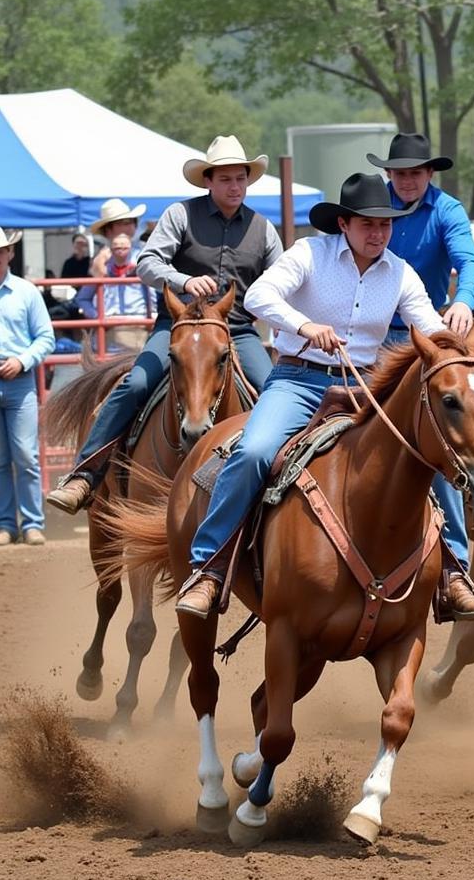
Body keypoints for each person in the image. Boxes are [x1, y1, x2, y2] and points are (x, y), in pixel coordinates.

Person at [174, 173, 447, 617]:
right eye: (367, 225)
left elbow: (427, 324)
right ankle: (209, 567)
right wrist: (303, 326)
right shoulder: (308, 254)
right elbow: (260, 294)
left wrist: (455, 342)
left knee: (429, 454)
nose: (378, 234)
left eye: (385, 225)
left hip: (364, 384)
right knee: (254, 451)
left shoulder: (400, 273)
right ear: (344, 224)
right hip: (297, 380)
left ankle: (453, 572)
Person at [46, 135, 283, 515]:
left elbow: (281, 279)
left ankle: (282, 484)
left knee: (274, 389)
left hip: (235, 331)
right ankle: (86, 474)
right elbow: (147, 263)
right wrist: (183, 281)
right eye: (226, 179)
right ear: (208, 180)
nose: (235, 186)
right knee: (137, 382)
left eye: (240, 178)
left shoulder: (263, 229)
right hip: (178, 328)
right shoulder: (180, 215)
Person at [366, 131, 474, 619]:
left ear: (429, 174)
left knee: (443, 440)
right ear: (389, 175)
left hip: (423, 339)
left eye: (415, 172)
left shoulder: (446, 210)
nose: (407, 180)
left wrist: (463, 300)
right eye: (399, 173)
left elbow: (469, 262)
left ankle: (456, 568)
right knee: (325, 424)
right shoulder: (374, 210)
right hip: (367, 339)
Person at [0, 228, 56, 546]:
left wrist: (22, 361)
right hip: (16, 380)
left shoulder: (26, 292)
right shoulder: (24, 290)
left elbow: (45, 337)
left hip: (19, 380)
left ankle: (31, 522)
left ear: (8, 254)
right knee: (1, 458)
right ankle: (7, 523)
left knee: (24, 455)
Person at [74, 233, 154, 351]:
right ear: (110, 248)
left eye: (124, 246)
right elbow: (82, 298)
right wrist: (97, 316)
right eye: (116, 247)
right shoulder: (101, 271)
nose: (120, 249)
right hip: (108, 328)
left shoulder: (142, 270)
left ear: (131, 247)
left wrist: (151, 317)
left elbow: (153, 297)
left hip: (138, 325)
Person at [88, 198, 147, 278]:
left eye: (133, 221)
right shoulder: (101, 258)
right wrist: (97, 273)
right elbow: (87, 289)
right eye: (125, 223)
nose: (131, 226)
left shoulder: (144, 251)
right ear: (108, 230)